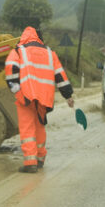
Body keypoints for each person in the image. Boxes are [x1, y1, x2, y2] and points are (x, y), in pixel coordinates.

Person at [5, 26, 74, 173]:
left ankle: (30, 163)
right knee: (39, 127)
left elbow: (10, 72)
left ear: (24, 36)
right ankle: (40, 158)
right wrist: (68, 95)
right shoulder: (50, 53)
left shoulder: (19, 50)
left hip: (26, 96)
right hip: (44, 97)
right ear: (39, 38)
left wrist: (17, 92)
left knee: (27, 128)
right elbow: (60, 76)